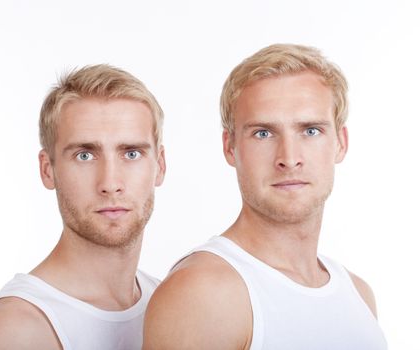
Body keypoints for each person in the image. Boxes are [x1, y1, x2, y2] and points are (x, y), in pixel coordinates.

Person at [143, 44, 387, 349]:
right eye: (263, 133)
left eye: (310, 130)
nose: (289, 158)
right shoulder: (203, 293)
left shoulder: (359, 294)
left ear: (340, 142)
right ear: (230, 147)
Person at [0, 64, 166, 350]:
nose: (110, 183)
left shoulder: (169, 303)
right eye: (84, 155)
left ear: (160, 166)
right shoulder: (13, 332)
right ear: (48, 170)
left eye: (131, 153)